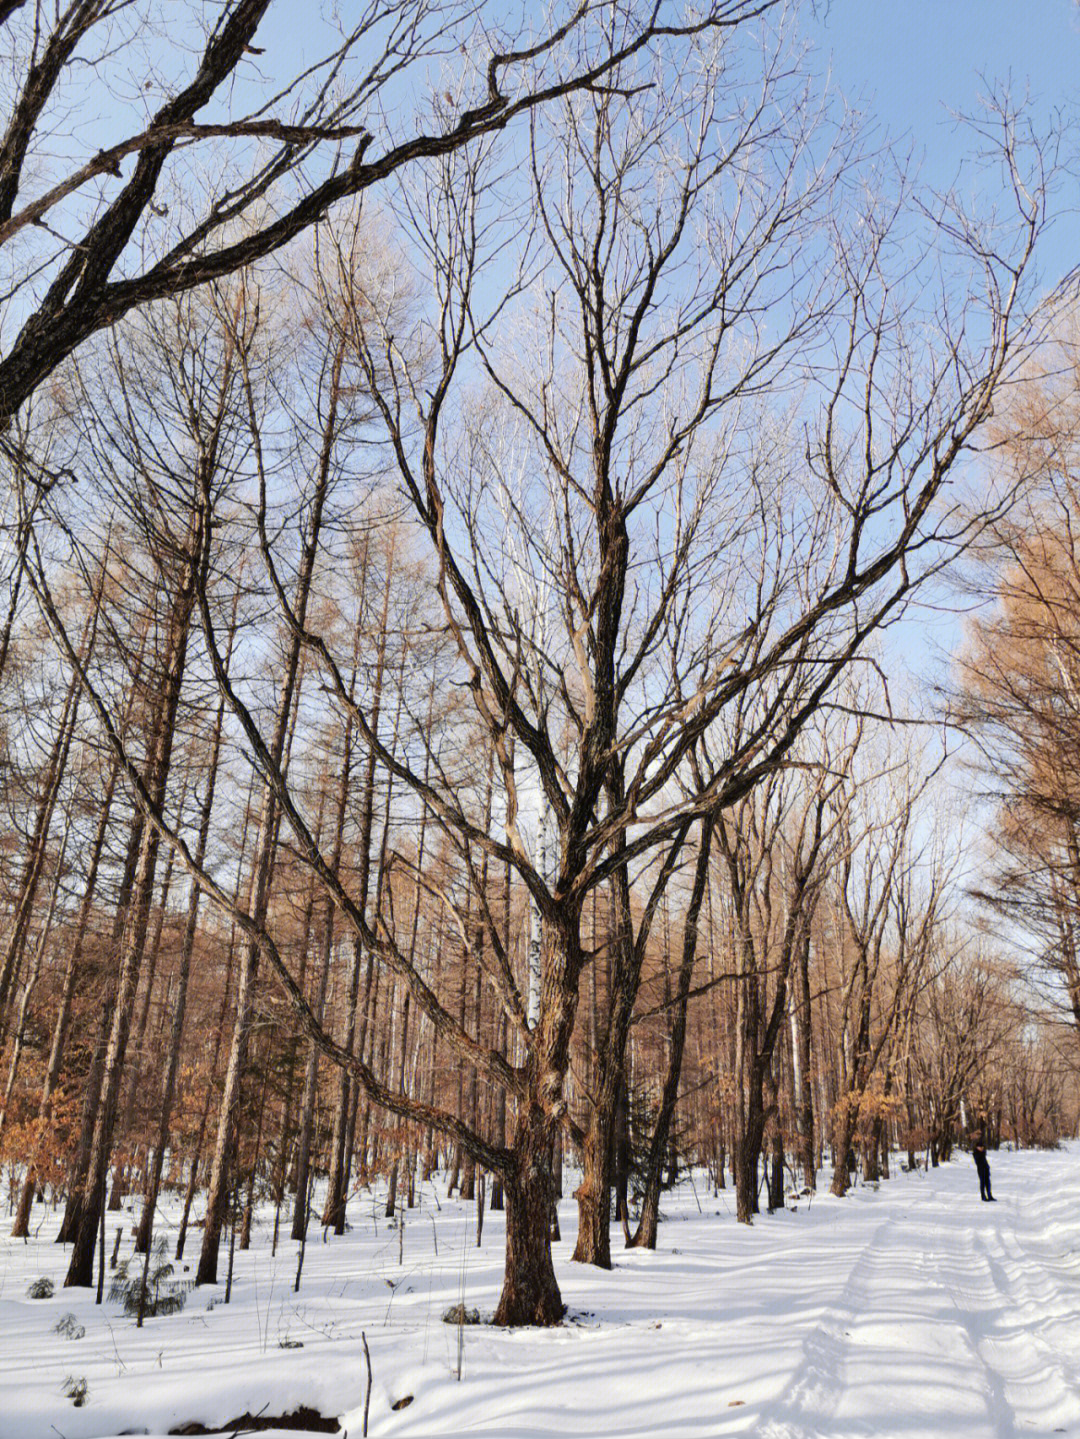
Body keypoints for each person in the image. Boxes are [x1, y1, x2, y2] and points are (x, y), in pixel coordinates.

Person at [972, 1134, 995, 1201]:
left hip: (986, 1169)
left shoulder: (983, 1152)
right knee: (983, 1183)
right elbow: (978, 1161)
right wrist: (982, 1153)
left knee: (988, 1183)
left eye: (982, 1147)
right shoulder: (976, 1153)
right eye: (980, 1147)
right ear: (977, 1147)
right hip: (981, 1170)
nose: (981, 1148)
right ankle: (983, 1196)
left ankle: (989, 1195)